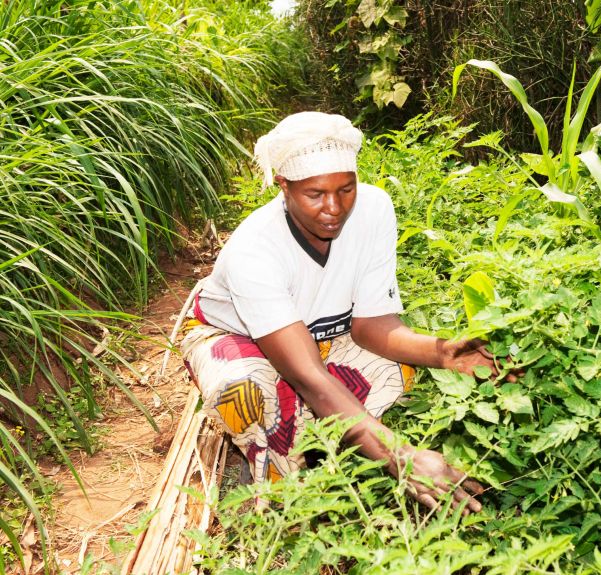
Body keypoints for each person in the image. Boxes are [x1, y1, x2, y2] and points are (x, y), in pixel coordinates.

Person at [181, 111, 507, 514]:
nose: (334, 207)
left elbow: (372, 325)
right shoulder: (256, 249)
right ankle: (277, 484)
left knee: (398, 367)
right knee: (246, 390)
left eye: (346, 189)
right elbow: (308, 374)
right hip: (234, 338)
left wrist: (443, 352)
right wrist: (399, 456)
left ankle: (331, 436)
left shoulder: (373, 209)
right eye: (314, 194)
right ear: (283, 185)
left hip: (320, 337)